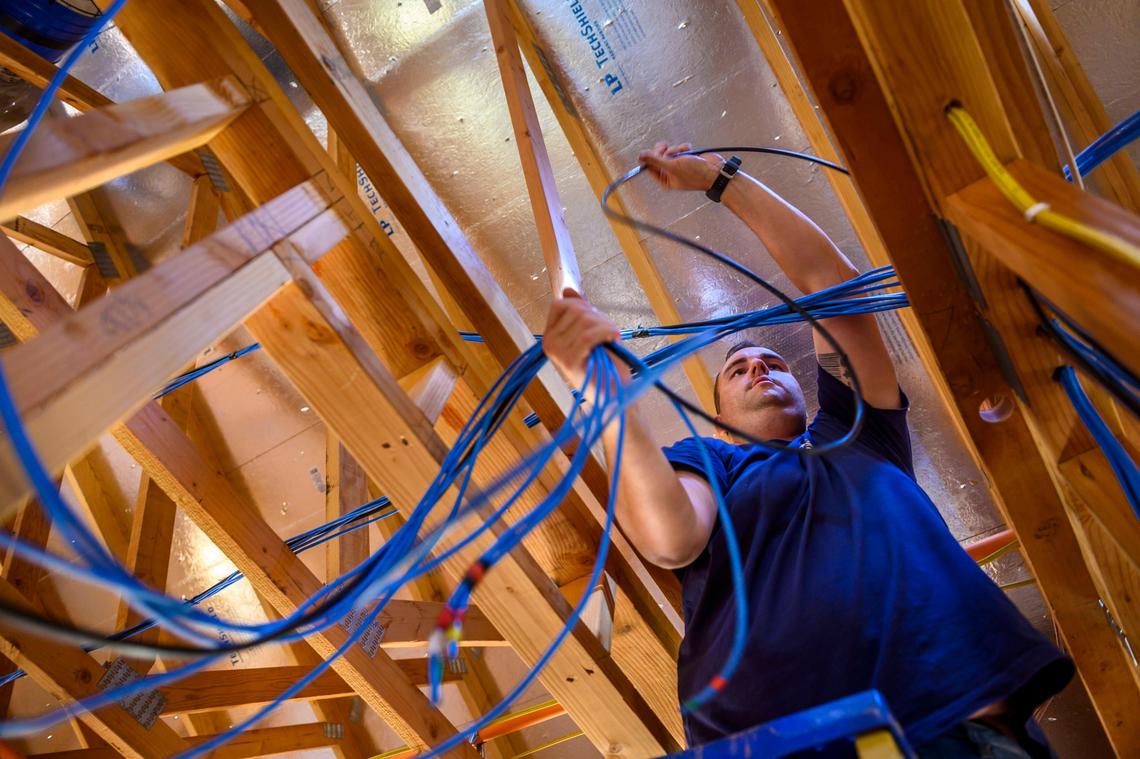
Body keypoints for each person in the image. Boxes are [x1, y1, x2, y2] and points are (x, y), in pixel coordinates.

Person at [542, 144, 1074, 757]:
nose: (758, 365)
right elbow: (671, 537)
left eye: (772, 361)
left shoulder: (860, 433)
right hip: (784, 745)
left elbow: (834, 287)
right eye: (737, 369)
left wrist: (722, 179)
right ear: (717, 420)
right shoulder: (713, 461)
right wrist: (603, 392)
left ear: (805, 387)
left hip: (958, 725)